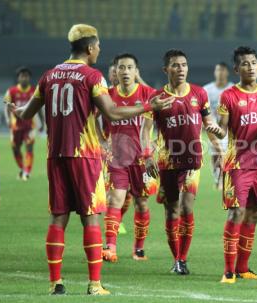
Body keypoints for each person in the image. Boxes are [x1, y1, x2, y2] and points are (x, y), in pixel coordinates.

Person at [15, 24, 173, 295]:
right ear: (90, 48)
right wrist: (149, 106)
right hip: (84, 155)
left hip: (55, 155)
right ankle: (95, 284)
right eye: (98, 46)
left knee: (58, 218)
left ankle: (55, 283)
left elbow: (26, 114)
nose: (99, 50)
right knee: (91, 218)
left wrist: (16, 109)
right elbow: (111, 113)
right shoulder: (92, 76)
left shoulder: (49, 75)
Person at [141, 49, 222, 275]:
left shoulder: (199, 94)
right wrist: (147, 155)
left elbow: (209, 123)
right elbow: (145, 130)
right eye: (175, 65)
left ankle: (182, 259)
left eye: (184, 65)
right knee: (171, 212)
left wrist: (219, 149)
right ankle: (176, 257)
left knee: (186, 208)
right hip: (167, 162)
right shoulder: (157, 99)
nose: (181, 69)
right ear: (166, 69)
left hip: (193, 160)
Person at [212, 46, 257, 284]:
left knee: (254, 214)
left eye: (253, 62)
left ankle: (243, 268)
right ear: (236, 69)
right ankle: (228, 270)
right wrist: (214, 129)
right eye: (244, 63)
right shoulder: (229, 96)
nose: (250, 67)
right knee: (236, 212)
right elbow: (222, 127)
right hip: (237, 164)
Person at [98, 53, 158, 263]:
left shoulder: (147, 93)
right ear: (115, 71)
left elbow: (152, 126)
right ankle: (110, 247)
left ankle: (139, 249)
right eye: (121, 67)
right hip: (117, 159)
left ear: (136, 71)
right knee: (115, 200)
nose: (124, 71)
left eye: (129, 67)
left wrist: (151, 151)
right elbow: (92, 118)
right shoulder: (107, 95)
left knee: (141, 203)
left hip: (141, 159)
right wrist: (101, 141)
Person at [4, 66, 42, 181]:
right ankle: (22, 168)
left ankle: (27, 172)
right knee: (15, 149)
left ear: (29, 78)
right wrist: (7, 119)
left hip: (29, 126)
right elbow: (7, 106)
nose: (24, 78)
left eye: (26, 76)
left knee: (29, 148)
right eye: (22, 76)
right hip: (16, 126)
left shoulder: (34, 91)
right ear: (18, 78)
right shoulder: (12, 91)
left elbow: (39, 108)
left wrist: (43, 122)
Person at [203, 62, 233, 190]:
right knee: (215, 153)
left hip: (229, 128)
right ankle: (217, 177)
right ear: (215, 72)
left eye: (222, 70)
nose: (220, 73)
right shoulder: (207, 89)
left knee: (227, 153)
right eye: (218, 70)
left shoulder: (232, 88)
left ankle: (225, 178)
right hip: (213, 126)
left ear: (227, 72)